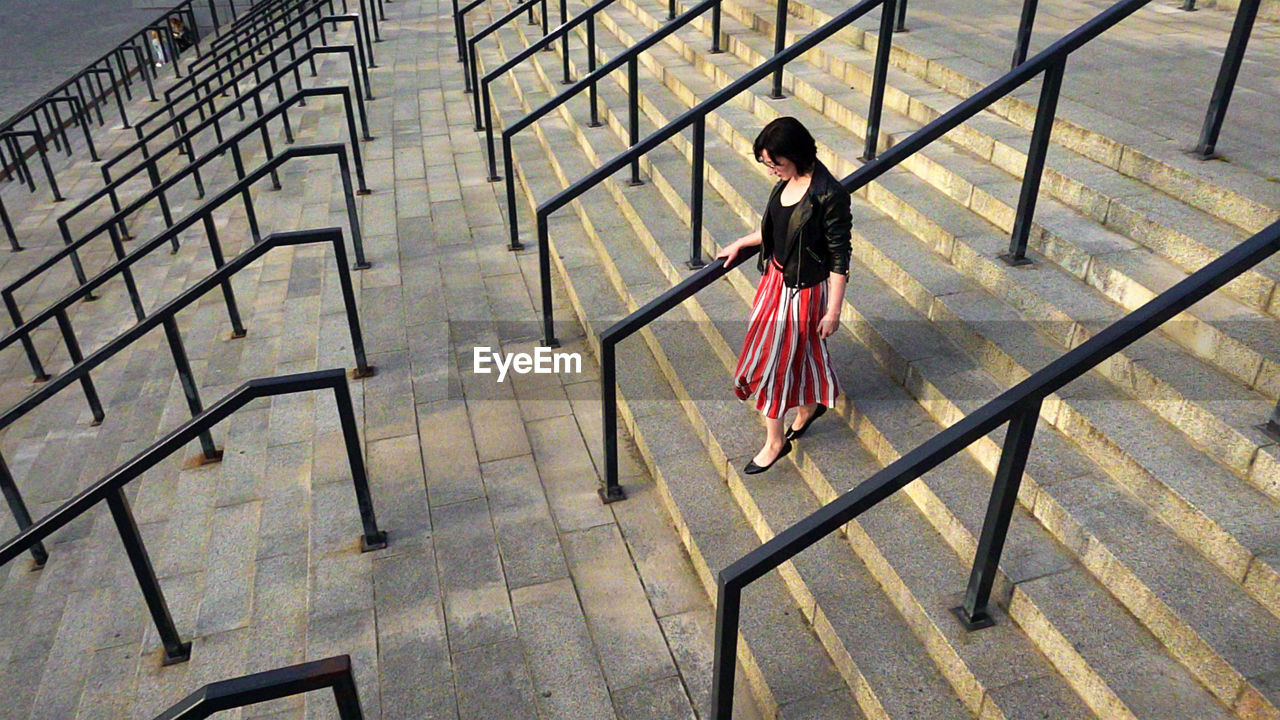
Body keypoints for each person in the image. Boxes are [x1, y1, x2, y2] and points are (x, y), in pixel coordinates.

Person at [716, 116, 851, 474]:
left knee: (772, 362)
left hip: (802, 292)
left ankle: (776, 442)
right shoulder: (786, 181)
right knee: (788, 353)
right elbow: (781, 227)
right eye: (767, 164)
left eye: (777, 163)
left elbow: (840, 256)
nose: (772, 170)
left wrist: (833, 311)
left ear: (796, 154)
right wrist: (742, 242)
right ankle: (809, 407)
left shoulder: (828, 194)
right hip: (774, 282)